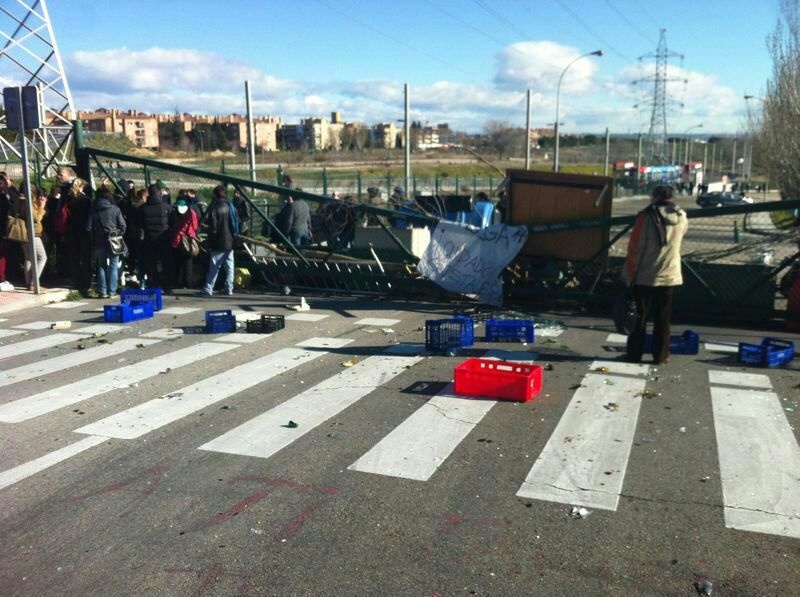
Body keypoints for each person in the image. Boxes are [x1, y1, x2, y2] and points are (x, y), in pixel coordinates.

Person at [624, 184, 688, 364]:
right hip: (670, 274)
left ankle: (634, 353)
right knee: (663, 318)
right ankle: (661, 355)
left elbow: (635, 248)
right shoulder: (681, 216)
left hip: (646, 274)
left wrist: (629, 275)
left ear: (654, 197)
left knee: (639, 317)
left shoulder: (645, 217)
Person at [86, 189, 127, 298]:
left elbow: (88, 227)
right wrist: (118, 234)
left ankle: (102, 291)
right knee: (114, 265)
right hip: (114, 240)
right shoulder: (115, 209)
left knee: (101, 266)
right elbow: (123, 226)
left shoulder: (94, 210)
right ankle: (112, 291)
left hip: (99, 241)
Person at [200, 185, 237, 296]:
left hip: (218, 242)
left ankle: (208, 289)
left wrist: (208, 236)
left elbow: (214, 228)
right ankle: (229, 288)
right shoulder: (231, 207)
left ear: (215, 195)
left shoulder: (215, 209)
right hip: (230, 241)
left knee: (214, 268)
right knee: (230, 267)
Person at [137, 183, 171, 291]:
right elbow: (172, 222)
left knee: (152, 264)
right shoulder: (166, 207)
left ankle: (154, 285)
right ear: (159, 192)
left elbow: (139, 223)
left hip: (149, 239)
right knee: (166, 263)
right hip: (163, 238)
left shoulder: (143, 208)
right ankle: (167, 286)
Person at [16, 185, 48, 291]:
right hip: (32, 233)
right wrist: (42, 207)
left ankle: (29, 283)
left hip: (23, 233)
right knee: (42, 257)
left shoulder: (18, 200)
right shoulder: (27, 202)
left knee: (28, 258)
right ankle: (34, 282)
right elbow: (35, 218)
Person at [168, 197, 199, 289]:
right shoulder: (192, 213)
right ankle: (188, 283)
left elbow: (171, 226)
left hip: (176, 241)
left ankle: (177, 282)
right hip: (188, 241)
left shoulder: (174, 214)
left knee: (177, 263)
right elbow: (195, 226)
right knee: (188, 263)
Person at [0, 172, 20, 291]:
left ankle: (6, 277)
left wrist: (9, 187)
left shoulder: (6, 195)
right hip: (2, 229)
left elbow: (15, 200)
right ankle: (1, 279)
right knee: (2, 255)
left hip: (5, 228)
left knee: (7, 254)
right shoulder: (3, 197)